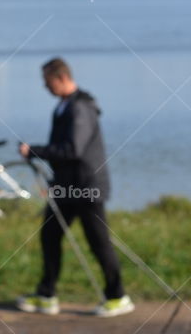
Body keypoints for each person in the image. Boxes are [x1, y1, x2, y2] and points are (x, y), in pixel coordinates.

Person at [15, 57, 135, 317]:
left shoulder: (81, 108)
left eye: (47, 83)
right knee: (49, 237)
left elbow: (74, 149)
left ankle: (118, 296)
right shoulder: (64, 106)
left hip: (86, 187)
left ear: (61, 78)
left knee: (98, 242)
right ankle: (47, 295)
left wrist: (34, 150)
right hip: (66, 188)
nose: (45, 88)